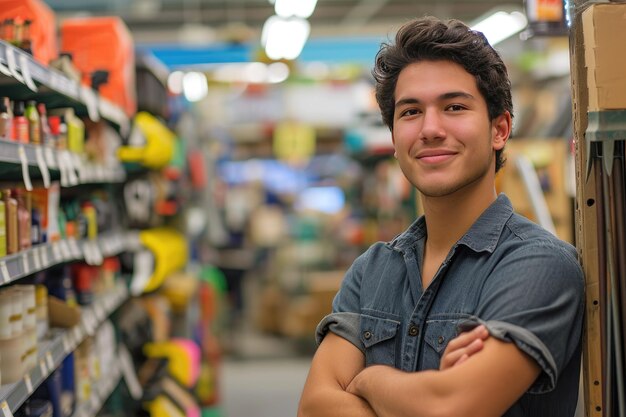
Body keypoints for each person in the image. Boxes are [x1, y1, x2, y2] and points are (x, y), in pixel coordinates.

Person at [297, 16, 584, 417]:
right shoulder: (372, 271)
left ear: (499, 129)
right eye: (411, 112)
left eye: (454, 107)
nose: (430, 129)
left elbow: (451, 407)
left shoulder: (538, 265)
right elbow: (314, 407)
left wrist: (369, 380)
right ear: (395, 139)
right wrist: (428, 392)